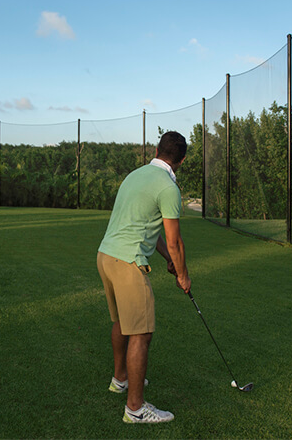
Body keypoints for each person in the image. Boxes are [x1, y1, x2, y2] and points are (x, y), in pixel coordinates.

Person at [97, 131, 191, 424]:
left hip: (105, 256)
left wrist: (167, 260)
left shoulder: (135, 175)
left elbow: (148, 227)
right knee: (141, 333)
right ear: (182, 161)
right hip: (127, 263)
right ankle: (135, 409)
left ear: (156, 150)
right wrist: (184, 276)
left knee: (122, 324)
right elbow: (175, 241)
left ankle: (120, 379)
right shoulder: (168, 187)